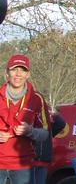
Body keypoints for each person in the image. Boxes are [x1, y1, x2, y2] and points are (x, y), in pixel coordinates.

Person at [0, 55, 49, 184]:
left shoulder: (37, 99)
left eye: (22, 70)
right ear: (7, 73)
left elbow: (45, 134)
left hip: (23, 165)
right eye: (14, 69)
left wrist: (30, 131)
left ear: (28, 74)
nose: (18, 74)